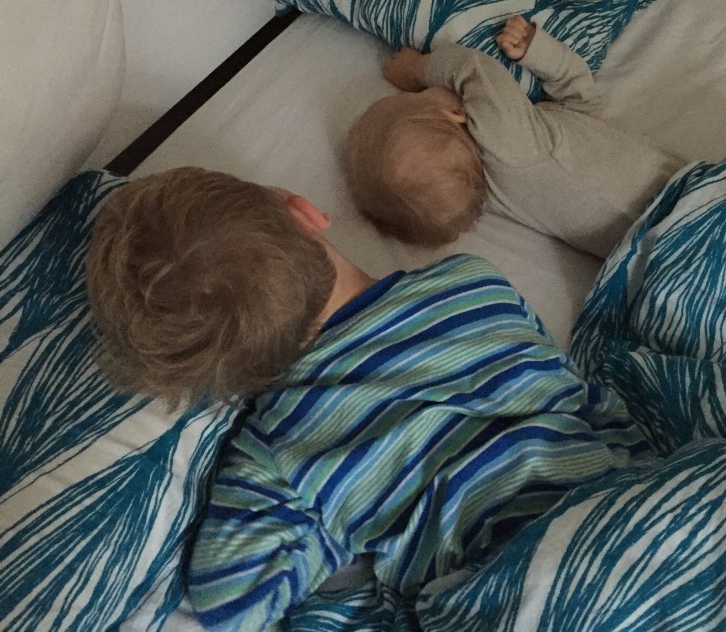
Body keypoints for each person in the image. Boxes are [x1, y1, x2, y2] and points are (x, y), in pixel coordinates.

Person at [84, 165, 649, 629]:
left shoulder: (280, 448)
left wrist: (328, 541)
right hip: (634, 513)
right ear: (305, 213)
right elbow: (558, 379)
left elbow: (229, 604)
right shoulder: (473, 282)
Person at [346, 16, 686, 258]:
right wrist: (417, 70)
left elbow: (582, 108)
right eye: (417, 97)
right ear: (454, 113)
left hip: (660, 258)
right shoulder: (502, 140)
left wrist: (538, 52)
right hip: (686, 209)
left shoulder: (500, 194)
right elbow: (474, 68)